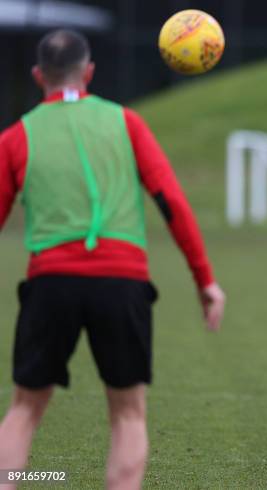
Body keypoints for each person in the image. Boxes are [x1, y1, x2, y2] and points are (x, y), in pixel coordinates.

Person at [0, 29, 225, 489]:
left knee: (24, 409)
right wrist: (204, 280)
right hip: (121, 282)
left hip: (50, 283)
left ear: (39, 75)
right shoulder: (127, 123)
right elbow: (172, 203)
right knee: (127, 413)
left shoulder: (15, 137)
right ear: (89, 73)